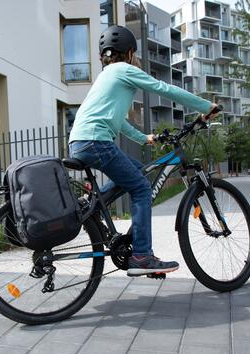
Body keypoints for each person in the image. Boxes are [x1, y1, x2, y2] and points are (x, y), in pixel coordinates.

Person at [68, 25, 219, 277]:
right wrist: (206, 106)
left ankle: (92, 206)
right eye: (134, 54)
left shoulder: (105, 76)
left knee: (138, 172)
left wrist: (144, 138)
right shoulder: (124, 70)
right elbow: (164, 89)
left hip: (81, 141)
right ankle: (141, 256)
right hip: (96, 141)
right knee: (141, 187)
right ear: (129, 53)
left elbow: (118, 121)